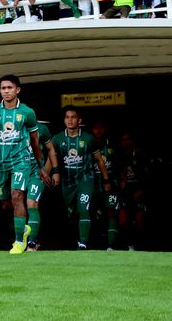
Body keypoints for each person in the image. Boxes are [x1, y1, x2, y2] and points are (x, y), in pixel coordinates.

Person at [0, 74, 48, 254]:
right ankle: (23, 229)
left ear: (17, 90)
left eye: (9, 88)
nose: (6, 91)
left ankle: (19, 242)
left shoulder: (27, 112)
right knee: (7, 204)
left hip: (21, 161)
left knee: (17, 196)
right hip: (2, 165)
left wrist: (41, 165)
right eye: (3, 88)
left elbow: (35, 141)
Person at [51, 106, 110, 250]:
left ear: (79, 120)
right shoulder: (57, 138)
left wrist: (106, 179)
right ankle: (79, 228)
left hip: (85, 179)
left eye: (73, 117)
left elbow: (99, 160)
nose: (70, 120)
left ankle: (83, 243)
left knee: (84, 208)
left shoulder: (88, 138)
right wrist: (51, 173)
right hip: (67, 182)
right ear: (64, 120)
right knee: (72, 212)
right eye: (67, 117)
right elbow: (51, 158)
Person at [26, 122, 60, 251]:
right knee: (17, 206)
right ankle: (20, 239)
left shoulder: (42, 129)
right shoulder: (12, 126)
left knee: (32, 203)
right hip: (19, 172)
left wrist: (47, 171)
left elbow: (51, 151)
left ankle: (32, 243)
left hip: (37, 174)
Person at [91, 121, 120, 251]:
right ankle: (92, 243)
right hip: (92, 184)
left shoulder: (113, 145)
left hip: (111, 184)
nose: (98, 130)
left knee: (111, 211)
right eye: (96, 127)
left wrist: (121, 180)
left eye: (101, 127)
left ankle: (111, 245)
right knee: (93, 213)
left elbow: (121, 164)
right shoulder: (88, 143)